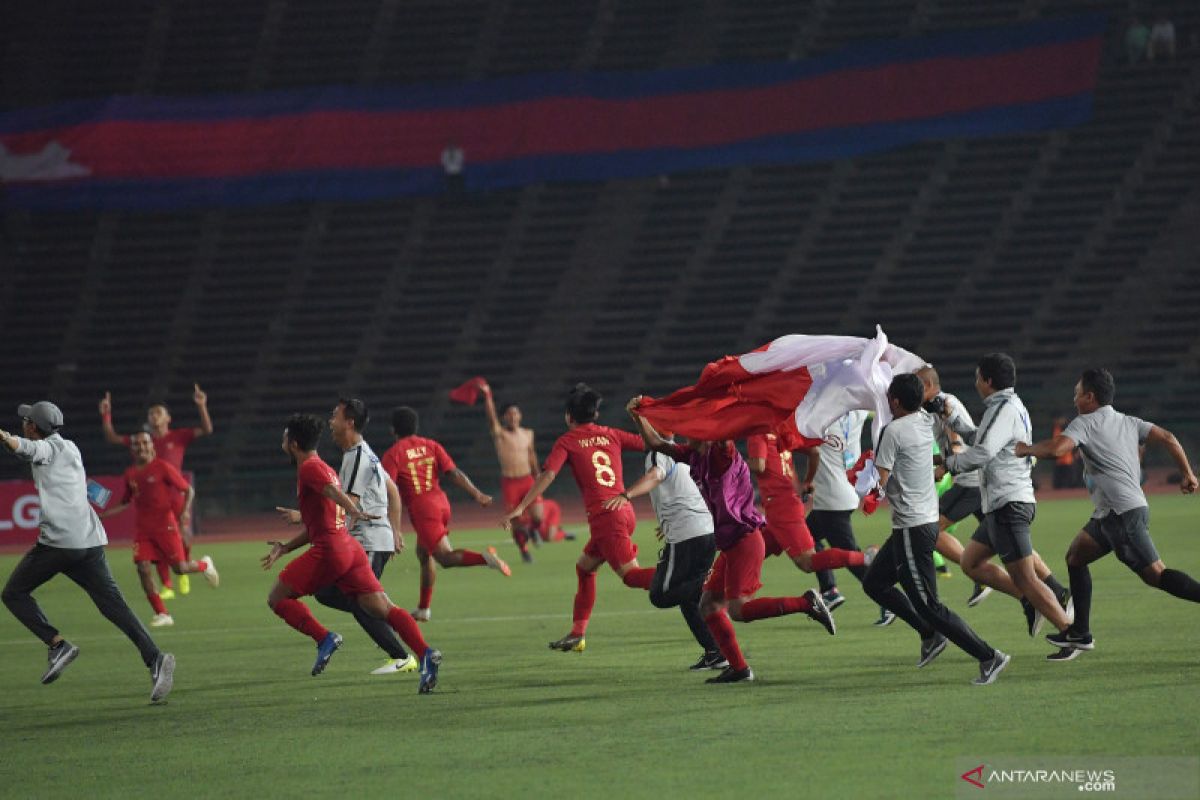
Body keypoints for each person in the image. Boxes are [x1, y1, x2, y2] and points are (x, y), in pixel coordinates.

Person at [628, 398, 836, 684]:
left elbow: (725, 436)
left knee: (738, 610)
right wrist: (637, 416)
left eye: (695, 427)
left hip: (745, 540)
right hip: (730, 544)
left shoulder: (720, 454)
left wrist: (730, 408)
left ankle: (805, 602)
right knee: (708, 606)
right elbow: (658, 444)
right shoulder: (693, 455)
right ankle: (739, 668)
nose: (689, 432)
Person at [1016, 368, 1200, 659]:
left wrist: (1025, 449)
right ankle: (1080, 633)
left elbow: (1057, 449)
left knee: (1156, 575)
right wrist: (1187, 474)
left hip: (1123, 516)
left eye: (1077, 393)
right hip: (1114, 514)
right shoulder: (1127, 421)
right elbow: (1167, 436)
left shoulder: (1085, 422)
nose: (1074, 398)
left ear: (1090, 397)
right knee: (1075, 557)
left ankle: (1080, 633)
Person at [0, 401, 175, 702]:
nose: (23, 424)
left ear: (34, 427)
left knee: (13, 593)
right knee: (113, 605)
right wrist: (100, 496)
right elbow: (75, 480)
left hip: (59, 543)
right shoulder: (71, 447)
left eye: (26, 421)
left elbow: (28, 449)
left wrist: (6, 438)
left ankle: (58, 645)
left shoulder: (45, 448)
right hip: (89, 542)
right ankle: (155, 658)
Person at [261, 414, 442, 694]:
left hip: (330, 552)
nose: (282, 441)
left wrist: (353, 508)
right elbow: (317, 522)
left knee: (277, 598)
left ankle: (324, 638)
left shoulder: (310, 468)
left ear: (294, 444)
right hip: (349, 549)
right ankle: (425, 654)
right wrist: (285, 547)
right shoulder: (320, 468)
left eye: (285, 437)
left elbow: (333, 493)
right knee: (382, 608)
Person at [861, 375, 1011, 685]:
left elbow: (882, 480)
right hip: (920, 520)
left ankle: (988, 656)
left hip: (912, 527)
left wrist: (868, 486)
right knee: (875, 583)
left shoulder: (892, 430)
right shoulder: (924, 421)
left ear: (895, 401)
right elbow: (932, 454)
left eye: (890, 397)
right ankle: (930, 635)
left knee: (928, 604)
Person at [503, 384, 657, 653]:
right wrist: (643, 417)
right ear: (595, 414)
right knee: (585, 568)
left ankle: (688, 578)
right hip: (622, 510)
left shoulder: (568, 440)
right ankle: (577, 634)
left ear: (568, 417)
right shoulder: (612, 434)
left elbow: (548, 474)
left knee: (631, 577)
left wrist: (521, 507)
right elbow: (650, 443)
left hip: (606, 517)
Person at [938, 354, 1073, 640]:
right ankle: (1037, 601)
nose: (975, 383)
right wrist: (952, 418)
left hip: (1010, 501)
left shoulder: (1003, 408)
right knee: (970, 563)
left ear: (988, 381)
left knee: (1026, 578)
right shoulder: (1007, 405)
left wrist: (948, 465)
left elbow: (984, 452)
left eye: (977, 378)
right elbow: (983, 439)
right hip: (1001, 502)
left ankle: (1072, 631)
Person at [601, 427, 725, 670]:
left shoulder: (660, 454)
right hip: (702, 530)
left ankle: (713, 588)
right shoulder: (684, 454)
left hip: (686, 535)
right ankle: (715, 652)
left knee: (661, 594)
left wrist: (627, 494)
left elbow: (656, 475)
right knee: (688, 601)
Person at [316, 398, 416, 675]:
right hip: (364, 540)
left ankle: (401, 656)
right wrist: (395, 530)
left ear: (349, 422)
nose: (330, 421)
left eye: (335, 416)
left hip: (369, 540)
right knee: (325, 592)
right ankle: (386, 614)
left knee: (360, 600)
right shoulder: (360, 454)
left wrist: (307, 514)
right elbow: (392, 489)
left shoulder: (359, 456)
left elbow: (349, 501)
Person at [381, 406, 508, 622]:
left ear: (393, 430)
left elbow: (388, 490)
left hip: (423, 509)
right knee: (424, 553)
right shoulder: (431, 445)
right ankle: (423, 609)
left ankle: (486, 559)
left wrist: (392, 528)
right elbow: (453, 473)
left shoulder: (394, 454)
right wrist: (477, 495)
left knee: (445, 558)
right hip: (441, 503)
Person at [99, 384, 213, 597]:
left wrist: (202, 405)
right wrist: (106, 415)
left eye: (158, 412)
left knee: (184, 538)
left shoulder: (178, 437)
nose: (154, 416)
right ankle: (168, 585)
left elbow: (206, 430)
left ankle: (184, 570)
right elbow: (113, 437)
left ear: (168, 418)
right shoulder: (142, 442)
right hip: (155, 502)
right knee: (157, 544)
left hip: (177, 497)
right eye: (151, 413)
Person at [100, 431, 218, 626]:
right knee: (142, 568)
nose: (142, 447)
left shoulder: (162, 467)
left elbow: (188, 489)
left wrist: (185, 513)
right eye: (137, 444)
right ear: (133, 449)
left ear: (152, 446)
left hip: (166, 526)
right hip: (143, 531)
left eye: (145, 443)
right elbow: (126, 501)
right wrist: (104, 514)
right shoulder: (130, 473)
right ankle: (163, 614)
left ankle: (205, 565)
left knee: (180, 569)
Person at [746, 430, 868, 599]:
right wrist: (808, 481)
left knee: (807, 562)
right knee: (749, 551)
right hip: (786, 504)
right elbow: (814, 452)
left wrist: (736, 464)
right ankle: (724, 591)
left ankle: (865, 559)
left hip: (782, 507)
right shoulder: (780, 428)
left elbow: (758, 465)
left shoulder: (757, 433)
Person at [916, 366, 991, 606]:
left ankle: (978, 574)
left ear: (927, 386)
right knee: (1009, 538)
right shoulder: (941, 404)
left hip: (970, 482)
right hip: (978, 479)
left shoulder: (942, 406)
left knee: (929, 530)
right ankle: (1054, 589)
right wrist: (931, 461)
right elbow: (952, 449)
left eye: (917, 386)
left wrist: (944, 468)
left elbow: (956, 445)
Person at [808, 411, 873, 611]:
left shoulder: (819, 417)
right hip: (846, 490)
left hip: (832, 498)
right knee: (808, 536)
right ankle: (829, 590)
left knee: (849, 556)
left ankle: (884, 593)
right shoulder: (857, 413)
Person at [480, 382, 543, 563]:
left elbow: (531, 455)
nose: (513, 416)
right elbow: (492, 419)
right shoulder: (500, 434)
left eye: (515, 413)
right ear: (504, 417)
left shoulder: (528, 433)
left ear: (520, 415)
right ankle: (524, 550)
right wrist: (487, 397)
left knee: (538, 516)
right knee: (516, 522)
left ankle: (533, 531)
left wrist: (538, 474)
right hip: (511, 483)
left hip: (528, 480)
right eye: (509, 414)